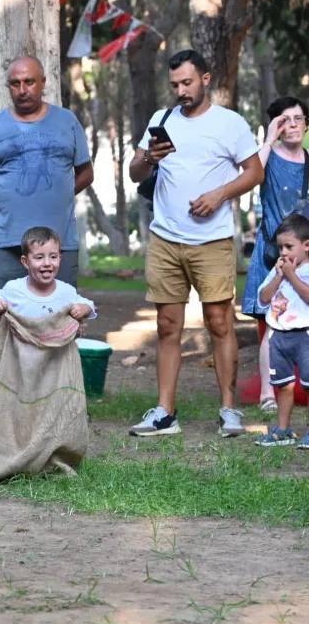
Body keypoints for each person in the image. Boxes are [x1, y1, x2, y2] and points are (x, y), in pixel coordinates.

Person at [127, 49, 264, 438]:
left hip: (212, 241)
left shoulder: (230, 124)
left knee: (220, 323)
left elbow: (254, 172)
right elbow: (135, 171)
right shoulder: (162, 119)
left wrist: (219, 194)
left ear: (206, 79)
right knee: (167, 325)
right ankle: (165, 413)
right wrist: (149, 158)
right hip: (165, 238)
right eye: (174, 85)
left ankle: (229, 409)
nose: (180, 91)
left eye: (187, 83)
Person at [0, 56, 93, 296]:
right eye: (15, 83)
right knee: (4, 321)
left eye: (29, 82)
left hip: (59, 244)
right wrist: (4, 196)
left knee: (60, 318)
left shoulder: (67, 121)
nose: (22, 90)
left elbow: (86, 173)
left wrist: (59, 193)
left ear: (43, 82)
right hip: (6, 243)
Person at [241, 96, 309, 415]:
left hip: (306, 258)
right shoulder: (268, 156)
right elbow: (251, 174)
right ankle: (268, 393)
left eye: (298, 118)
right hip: (272, 255)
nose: (293, 125)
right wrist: (267, 139)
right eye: (285, 120)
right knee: (271, 326)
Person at [255, 214, 309, 447]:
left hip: (305, 335)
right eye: (280, 247)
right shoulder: (277, 271)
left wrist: (291, 276)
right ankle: (283, 430)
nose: (283, 252)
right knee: (284, 385)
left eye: (289, 246)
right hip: (279, 335)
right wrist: (279, 277)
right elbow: (264, 298)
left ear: (307, 246)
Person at [0, 227, 96, 322]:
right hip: (21, 345)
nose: (47, 263)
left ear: (59, 258)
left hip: (57, 345)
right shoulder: (14, 289)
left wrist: (83, 309)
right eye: (39, 257)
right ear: (26, 262)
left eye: (53, 257)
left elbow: (89, 305)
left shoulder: (67, 291)